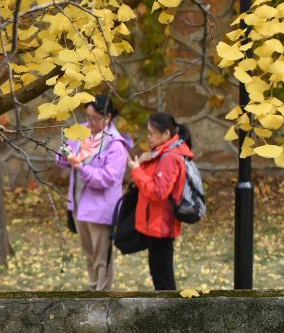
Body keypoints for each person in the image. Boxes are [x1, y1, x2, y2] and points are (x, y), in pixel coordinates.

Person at [54, 95, 132, 291]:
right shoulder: (81, 132)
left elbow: (107, 178)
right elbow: (64, 159)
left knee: (101, 257)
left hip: (101, 209)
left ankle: (102, 294)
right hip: (79, 205)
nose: (89, 122)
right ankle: (92, 290)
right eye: (87, 116)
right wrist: (64, 154)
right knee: (89, 254)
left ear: (108, 117)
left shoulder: (116, 145)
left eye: (94, 118)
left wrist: (81, 167)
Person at [127, 111, 194, 291]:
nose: (148, 137)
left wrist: (136, 170)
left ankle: (171, 308)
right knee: (159, 275)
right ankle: (167, 306)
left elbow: (158, 192)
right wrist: (142, 164)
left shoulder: (170, 157)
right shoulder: (160, 153)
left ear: (166, 134)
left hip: (162, 226)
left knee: (163, 280)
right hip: (155, 224)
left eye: (152, 133)